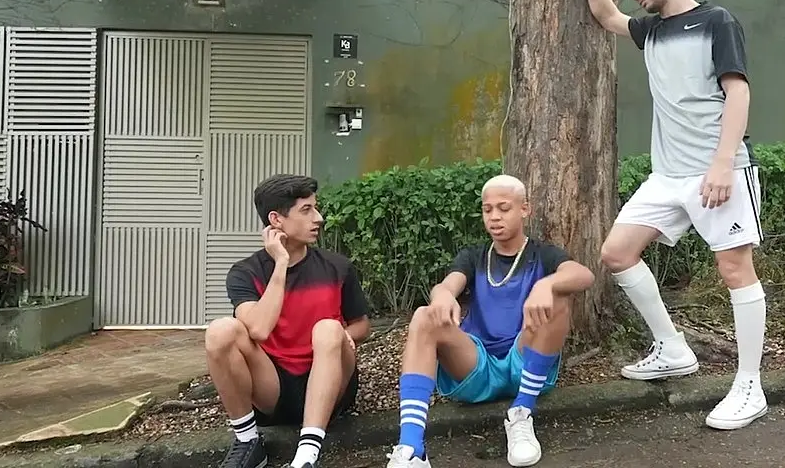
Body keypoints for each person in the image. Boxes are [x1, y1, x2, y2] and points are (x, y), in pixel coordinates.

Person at [559, 0, 768, 431]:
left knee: (735, 270)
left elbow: (738, 91)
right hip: (667, 176)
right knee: (616, 253)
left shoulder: (717, 21)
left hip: (719, 171)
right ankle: (673, 349)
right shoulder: (651, 30)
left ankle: (750, 385)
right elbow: (607, 16)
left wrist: (721, 165)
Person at [384, 174, 595, 468]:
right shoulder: (474, 256)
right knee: (423, 316)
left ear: (524, 209)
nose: (494, 217)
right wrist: (442, 295)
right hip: (477, 366)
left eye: (504, 208)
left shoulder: (543, 254)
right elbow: (448, 284)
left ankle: (521, 413)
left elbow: (584, 275)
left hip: (525, 363)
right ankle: (411, 449)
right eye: (487, 209)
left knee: (559, 296)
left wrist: (546, 285)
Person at [205, 174, 372, 468]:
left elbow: (362, 326)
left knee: (328, 328)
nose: (318, 218)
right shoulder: (246, 272)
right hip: (273, 388)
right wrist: (281, 263)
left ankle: (307, 455)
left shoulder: (338, 267)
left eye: (316, 208)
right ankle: (248, 442)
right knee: (220, 331)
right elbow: (258, 329)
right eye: (306, 210)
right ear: (276, 220)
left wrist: (340, 336)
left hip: (331, 383)